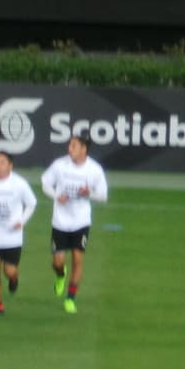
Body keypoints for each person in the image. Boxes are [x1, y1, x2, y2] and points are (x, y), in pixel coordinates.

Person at [41, 133, 108, 314]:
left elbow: (103, 195)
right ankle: (60, 275)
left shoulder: (94, 170)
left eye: (73, 146)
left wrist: (89, 193)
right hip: (60, 221)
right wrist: (56, 195)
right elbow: (45, 183)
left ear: (84, 149)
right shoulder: (59, 165)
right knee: (57, 262)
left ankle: (70, 298)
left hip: (81, 221)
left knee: (78, 260)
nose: (69, 149)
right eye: (69, 145)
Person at [0, 151, 38, 315]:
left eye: (2, 162)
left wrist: (22, 221)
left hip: (12, 237)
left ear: (10, 165)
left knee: (9, 271)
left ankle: (14, 279)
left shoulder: (19, 184)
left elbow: (31, 203)